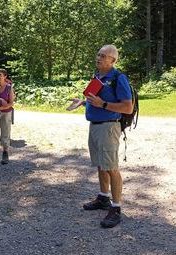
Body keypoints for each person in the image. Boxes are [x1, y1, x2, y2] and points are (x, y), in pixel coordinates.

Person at [67, 45, 133, 228]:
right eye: (98, 54)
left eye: (103, 56)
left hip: (108, 128)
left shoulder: (118, 79)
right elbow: (93, 100)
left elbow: (127, 107)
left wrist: (103, 104)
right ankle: (104, 198)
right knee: (101, 165)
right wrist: (82, 102)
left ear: (113, 60)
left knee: (111, 167)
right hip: (95, 126)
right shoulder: (97, 77)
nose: (98, 58)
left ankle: (117, 208)